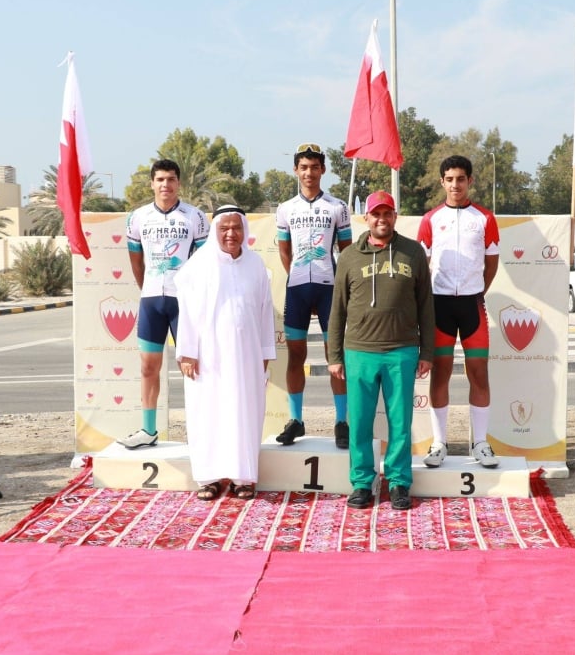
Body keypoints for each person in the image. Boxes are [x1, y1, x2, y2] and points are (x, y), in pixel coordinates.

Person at [327, 191, 434, 511]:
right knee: (359, 422)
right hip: (359, 351)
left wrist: (426, 350)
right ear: (366, 218)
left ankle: (399, 482)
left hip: (401, 350)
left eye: (387, 214)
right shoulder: (348, 257)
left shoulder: (412, 252)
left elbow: (426, 305)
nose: (381, 219)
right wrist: (334, 356)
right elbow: (337, 310)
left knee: (400, 422)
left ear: (395, 217)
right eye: (376, 214)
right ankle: (362, 482)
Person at [175, 205, 276, 501]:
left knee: (244, 413)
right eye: (224, 228)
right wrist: (188, 352)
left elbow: (265, 311)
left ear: (244, 231)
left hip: (246, 356)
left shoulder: (256, 264)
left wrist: (266, 352)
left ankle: (243, 477)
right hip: (207, 357)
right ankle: (208, 477)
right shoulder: (198, 266)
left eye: (236, 228)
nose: (231, 234)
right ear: (215, 230)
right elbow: (188, 312)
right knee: (208, 413)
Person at [417, 155, 500, 468]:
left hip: (471, 305)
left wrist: (477, 290)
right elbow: (421, 266)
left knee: (479, 374)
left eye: (461, 179)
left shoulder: (485, 218)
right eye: (449, 179)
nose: (455, 184)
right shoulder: (431, 219)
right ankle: (439, 443)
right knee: (440, 374)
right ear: (442, 182)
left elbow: (491, 263)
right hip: (439, 305)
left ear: (470, 181)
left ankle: (480, 443)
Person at [119, 160, 209, 449]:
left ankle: (202, 431)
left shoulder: (195, 217)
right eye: (160, 179)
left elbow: (203, 262)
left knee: (192, 367)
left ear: (178, 183)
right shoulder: (138, 218)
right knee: (148, 367)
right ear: (152, 183)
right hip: (151, 301)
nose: (165, 185)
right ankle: (148, 430)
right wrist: (147, 287)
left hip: (184, 302)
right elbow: (136, 261)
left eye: (171, 179)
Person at [275, 143, 353, 448]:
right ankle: (296, 420)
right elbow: (285, 251)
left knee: (336, 357)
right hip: (297, 290)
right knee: (296, 356)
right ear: (296, 170)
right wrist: (297, 276)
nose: (309, 173)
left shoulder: (337, 207)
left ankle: (342, 422)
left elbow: (346, 254)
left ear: (323, 170)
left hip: (328, 289)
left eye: (314, 167)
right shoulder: (286, 209)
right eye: (303, 167)